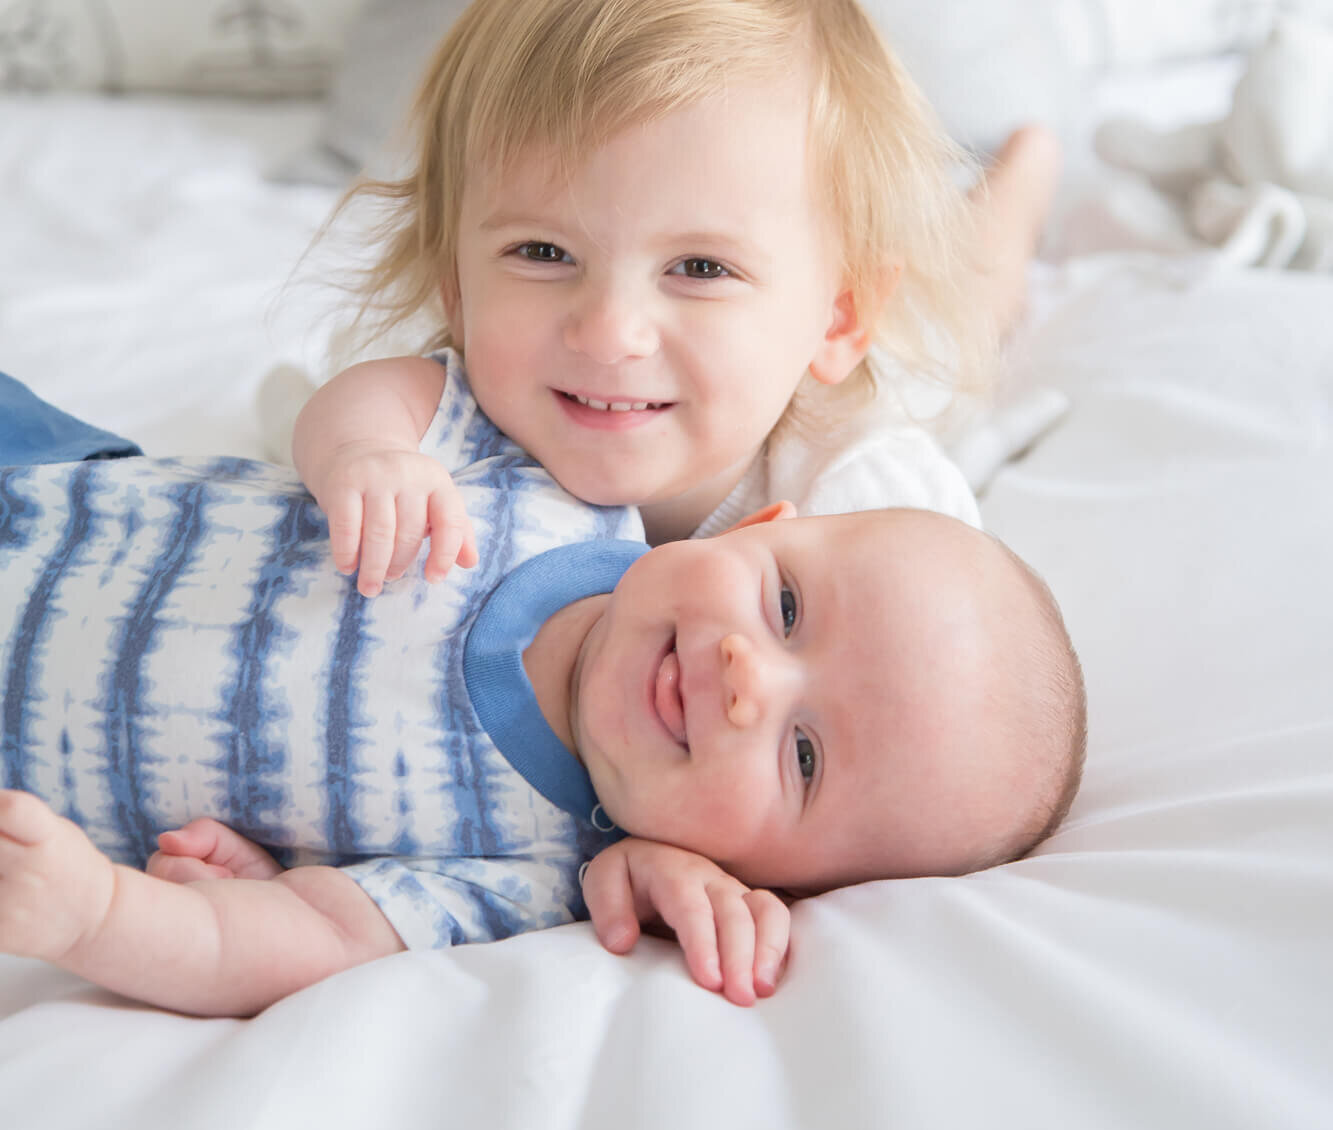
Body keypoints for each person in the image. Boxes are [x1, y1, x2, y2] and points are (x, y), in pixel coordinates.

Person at [0, 365, 1085, 1021]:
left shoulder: (531, 872)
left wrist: (100, 915)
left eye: (803, 754)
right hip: (48, 477)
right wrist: (366, 446)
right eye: (788, 607)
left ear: (773, 879)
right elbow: (414, 386)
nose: (747, 677)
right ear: (760, 527)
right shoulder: (571, 487)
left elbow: (292, 938)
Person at [275, 0, 1061, 596]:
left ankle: (1018, 185)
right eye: (543, 252)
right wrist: (366, 458)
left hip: (883, 379)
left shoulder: (864, 500)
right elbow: (352, 407)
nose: (609, 333)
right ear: (454, 282)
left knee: (960, 315)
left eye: (700, 269)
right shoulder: (465, 414)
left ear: (839, 315)